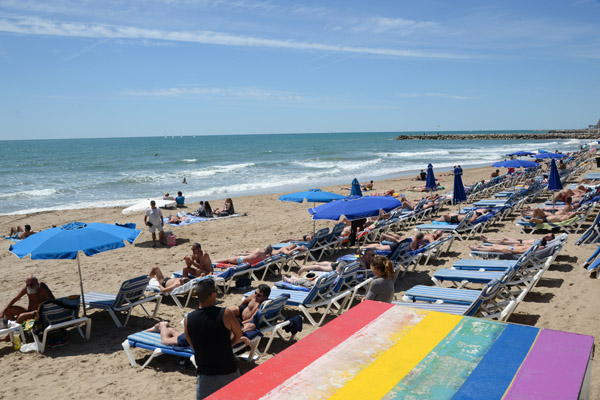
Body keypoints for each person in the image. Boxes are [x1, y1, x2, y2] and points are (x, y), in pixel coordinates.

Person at [184, 279, 251, 399]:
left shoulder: (188, 319)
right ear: (212, 295)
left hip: (205, 374)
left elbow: (192, 344)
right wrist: (230, 344)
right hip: (228, 369)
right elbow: (238, 334)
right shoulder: (225, 313)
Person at [298, 248, 375, 275]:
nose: (373, 257)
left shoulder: (362, 259)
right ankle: (305, 268)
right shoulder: (362, 261)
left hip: (343, 263)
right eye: (372, 255)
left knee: (330, 263)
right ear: (366, 255)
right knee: (322, 268)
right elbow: (365, 272)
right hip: (341, 266)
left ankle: (316, 263)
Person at [216, 244, 304, 265]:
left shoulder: (284, 249)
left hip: (241, 260)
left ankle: (215, 262)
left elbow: (288, 253)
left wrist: (298, 248)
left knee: (228, 259)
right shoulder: (265, 257)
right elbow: (254, 255)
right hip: (247, 261)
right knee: (229, 261)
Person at [470, 238, 548, 255]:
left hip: (511, 250)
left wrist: (510, 251)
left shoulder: (532, 248)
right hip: (512, 247)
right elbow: (522, 246)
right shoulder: (533, 246)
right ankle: (481, 247)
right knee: (495, 246)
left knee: (494, 248)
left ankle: (477, 249)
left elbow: (520, 251)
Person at [480, 233, 554, 246]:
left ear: (550, 239)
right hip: (520, 240)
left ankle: (487, 241)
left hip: (520, 243)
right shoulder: (542, 240)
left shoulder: (542, 242)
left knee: (503, 241)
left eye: (549, 236)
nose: (547, 236)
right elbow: (543, 237)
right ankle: (490, 239)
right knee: (505, 238)